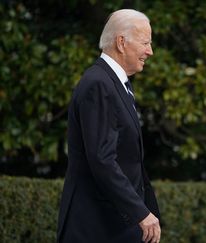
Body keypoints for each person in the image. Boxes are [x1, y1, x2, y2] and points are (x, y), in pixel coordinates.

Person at [57, 9, 161, 243]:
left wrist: (148, 209)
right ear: (121, 42)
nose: (150, 51)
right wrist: (140, 212)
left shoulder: (115, 83)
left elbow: (127, 159)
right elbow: (102, 159)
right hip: (97, 228)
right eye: (145, 42)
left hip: (114, 226)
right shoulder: (99, 84)